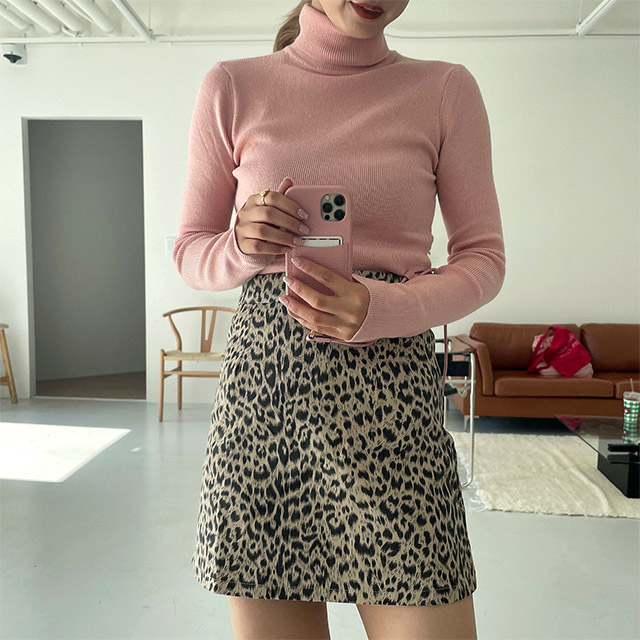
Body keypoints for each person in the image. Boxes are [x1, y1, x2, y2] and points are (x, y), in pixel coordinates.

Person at [173, 0, 506, 637]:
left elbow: (483, 260)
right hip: (265, 415)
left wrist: (385, 308)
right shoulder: (233, 86)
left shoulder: (444, 89)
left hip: (395, 411)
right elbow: (190, 250)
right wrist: (242, 245)